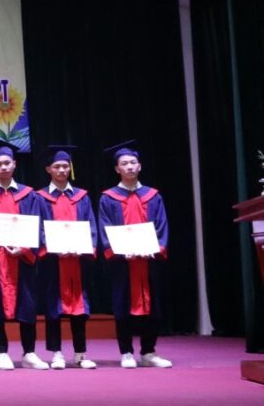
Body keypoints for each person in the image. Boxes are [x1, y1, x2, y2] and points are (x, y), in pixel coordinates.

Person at [97, 140, 172, 369]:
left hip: (149, 261)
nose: (129, 166)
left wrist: (155, 249)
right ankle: (127, 352)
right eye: (124, 163)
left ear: (140, 166)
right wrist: (119, 251)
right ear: (117, 169)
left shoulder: (153, 196)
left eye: (133, 162)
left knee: (153, 306)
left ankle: (149, 352)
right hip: (123, 262)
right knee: (122, 306)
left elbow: (162, 226)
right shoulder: (108, 197)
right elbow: (105, 228)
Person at [0, 140, 46, 370]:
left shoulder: (30, 195)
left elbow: (37, 225)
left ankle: (29, 352)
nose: (4, 167)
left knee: (27, 304)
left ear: (15, 164)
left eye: (7, 163)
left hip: (23, 259)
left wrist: (25, 249)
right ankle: (1, 352)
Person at [35, 146, 98, 370]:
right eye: (57, 166)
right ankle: (57, 353)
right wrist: (51, 247)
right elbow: (37, 228)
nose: (62, 170)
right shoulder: (40, 198)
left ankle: (81, 353)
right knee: (53, 307)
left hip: (78, 260)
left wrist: (86, 247)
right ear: (48, 169)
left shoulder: (81, 197)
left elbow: (91, 226)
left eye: (65, 166)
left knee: (79, 306)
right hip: (53, 260)